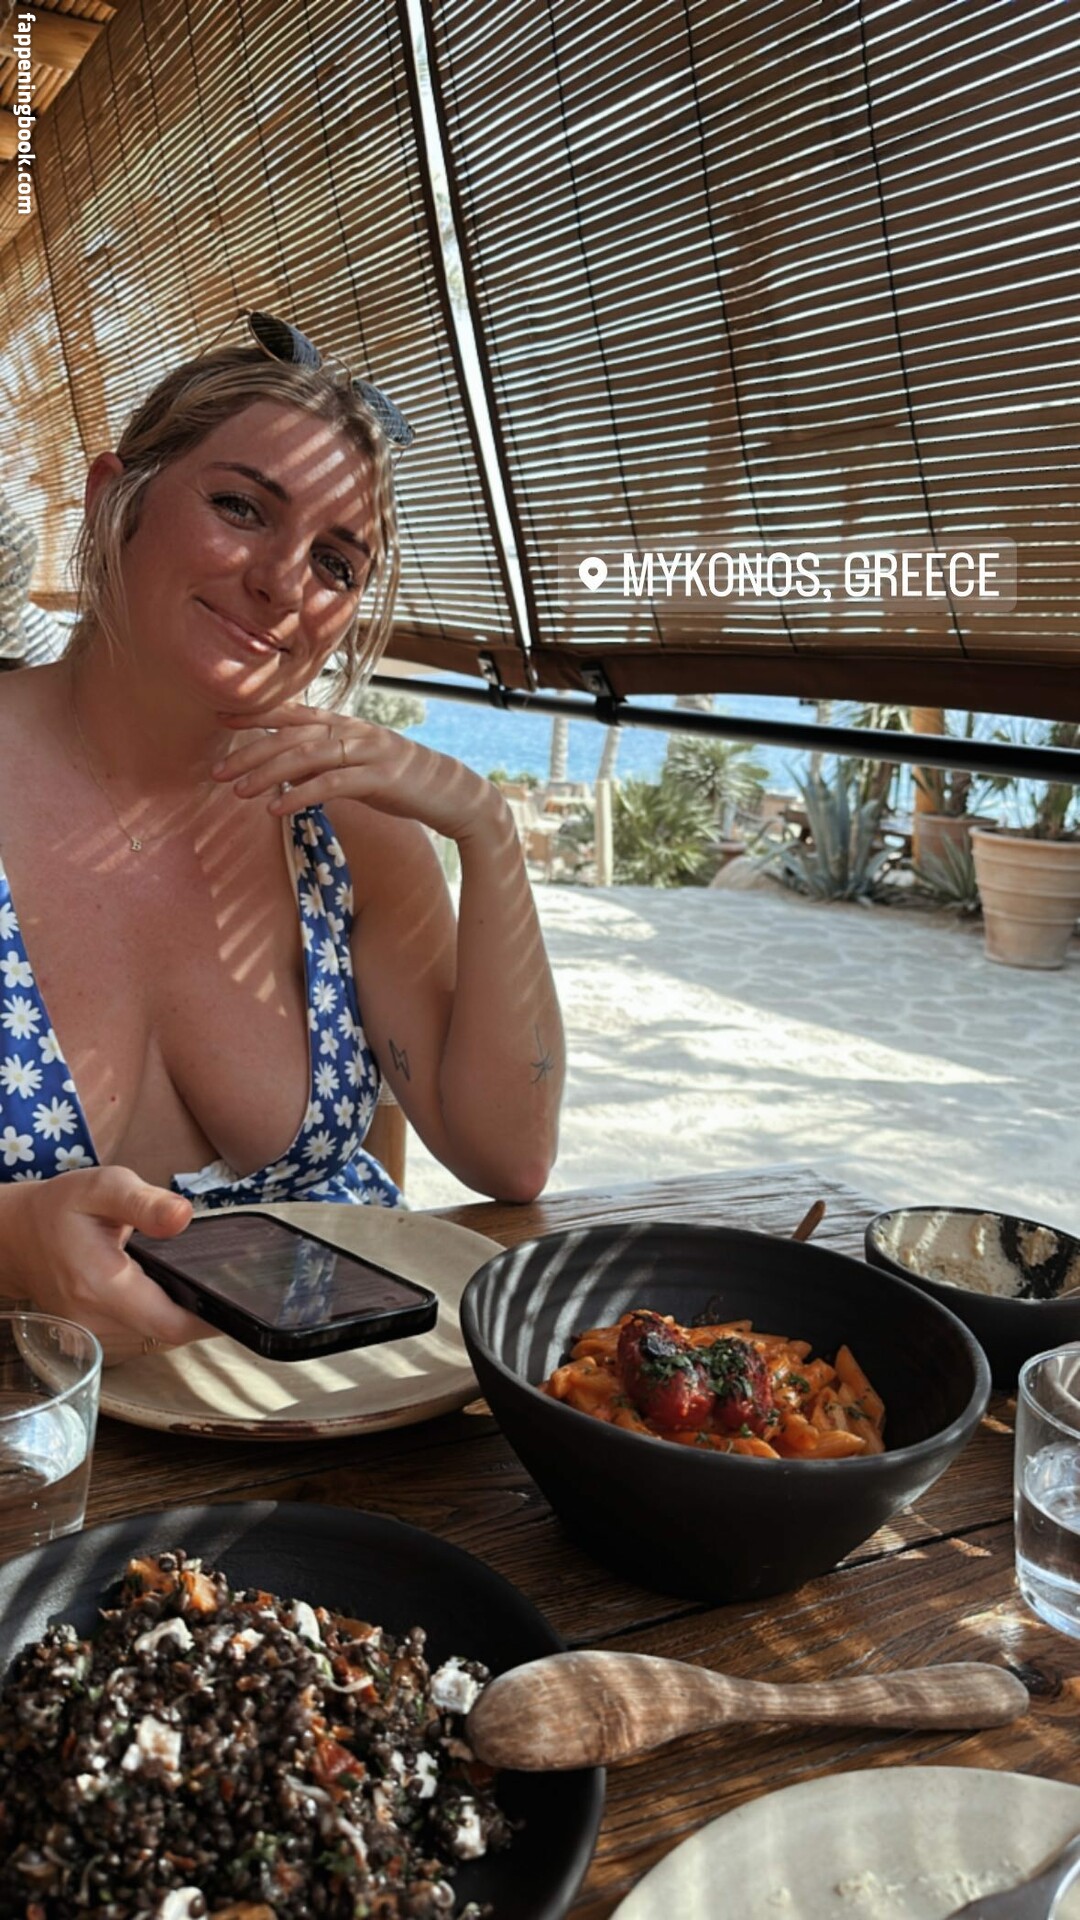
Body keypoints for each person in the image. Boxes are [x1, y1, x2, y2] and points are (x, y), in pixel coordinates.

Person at [0, 318, 564, 1361]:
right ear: (113, 498)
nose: (282, 581)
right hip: (46, 1429)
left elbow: (508, 1161)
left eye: (336, 563)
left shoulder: (346, 829)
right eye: (241, 507)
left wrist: (487, 833)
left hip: (357, 1407)